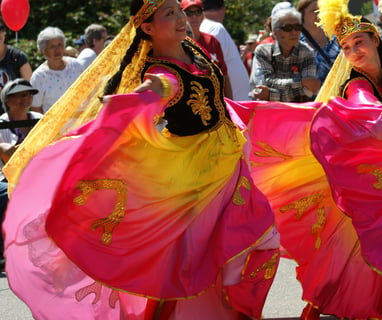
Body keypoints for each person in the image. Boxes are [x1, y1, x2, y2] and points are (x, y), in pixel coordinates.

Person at [2, 0, 280, 319]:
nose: (180, 18)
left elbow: (218, 94)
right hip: (195, 177)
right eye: (169, 14)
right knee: (193, 262)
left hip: (228, 160)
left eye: (179, 10)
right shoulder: (160, 70)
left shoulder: (192, 48)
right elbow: (158, 88)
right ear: (147, 28)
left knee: (246, 243)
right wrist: (138, 98)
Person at [0, 78, 41, 273]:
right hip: (7, 178)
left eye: (28, 95)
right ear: (7, 100)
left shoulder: (39, 119)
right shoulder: (1, 123)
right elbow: (8, 155)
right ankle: (7, 250)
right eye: (20, 95)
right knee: (5, 195)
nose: (26, 98)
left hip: (38, 174)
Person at [249, 5, 320, 102]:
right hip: (266, 113)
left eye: (297, 27)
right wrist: (300, 82)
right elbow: (262, 90)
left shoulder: (307, 52)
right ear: (275, 32)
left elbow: (307, 93)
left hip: (296, 114)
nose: (294, 32)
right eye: (287, 28)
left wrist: (271, 94)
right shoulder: (263, 51)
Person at [181, 0, 233, 99]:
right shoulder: (177, 43)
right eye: (189, 13)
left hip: (216, 101)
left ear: (202, 15)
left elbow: (224, 75)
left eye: (198, 12)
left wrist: (230, 104)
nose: (194, 16)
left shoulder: (212, 41)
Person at [200, 0, 250, 101]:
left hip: (233, 103)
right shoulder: (215, 28)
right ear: (223, 8)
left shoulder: (209, 27)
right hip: (229, 106)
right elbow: (210, 68)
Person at [30, 26, 84, 114]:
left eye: (60, 45)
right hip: (55, 125)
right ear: (43, 50)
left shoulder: (76, 65)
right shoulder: (39, 76)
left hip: (80, 122)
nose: (57, 50)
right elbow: (36, 108)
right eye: (52, 47)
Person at [296, 0, 341, 84]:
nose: (319, 13)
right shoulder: (296, 42)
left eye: (321, 10)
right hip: (312, 96)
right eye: (313, 10)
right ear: (301, 15)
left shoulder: (334, 35)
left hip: (339, 93)